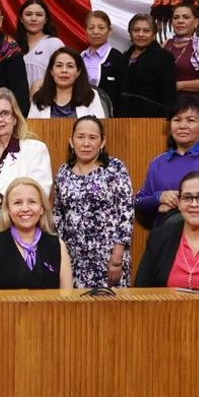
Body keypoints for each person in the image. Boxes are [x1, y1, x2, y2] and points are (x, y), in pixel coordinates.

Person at [52, 116, 134, 288]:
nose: (86, 143)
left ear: (102, 142)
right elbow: (58, 213)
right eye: (80, 137)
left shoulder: (115, 168)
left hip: (109, 260)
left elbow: (126, 212)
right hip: (74, 259)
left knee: (111, 311)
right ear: (71, 141)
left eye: (92, 137)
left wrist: (118, 259)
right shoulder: (63, 172)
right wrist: (61, 254)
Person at [135, 94, 199, 223]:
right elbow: (140, 201)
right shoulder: (158, 162)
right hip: (166, 236)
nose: (182, 126)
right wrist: (159, 197)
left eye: (191, 120)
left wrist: (180, 200)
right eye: (177, 120)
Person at [0, 178, 72, 290]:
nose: (25, 208)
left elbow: (67, 301)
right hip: (4, 308)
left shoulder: (57, 245)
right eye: (17, 203)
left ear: (42, 209)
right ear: (8, 211)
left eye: (32, 202)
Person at [0, 88, 53, 213]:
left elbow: (40, 193)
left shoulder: (35, 150)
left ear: (15, 118)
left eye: (5, 113)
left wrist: (1, 199)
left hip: (19, 227)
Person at [116, 13, 176, 117]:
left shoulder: (164, 58)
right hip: (123, 121)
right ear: (130, 33)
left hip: (151, 122)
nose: (140, 34)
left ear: (154, 34)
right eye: (136, 30)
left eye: (146, 31)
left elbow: (169, 96)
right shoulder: (124, 57)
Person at [28, 47, 108, 118]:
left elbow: (99, 128)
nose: (64, 70)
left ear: (78, 72)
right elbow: (31, 131)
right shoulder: (39, 98)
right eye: (59, 66)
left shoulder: (91, 96)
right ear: (51, 71)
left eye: (70, 66)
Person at [164, 1, 199, 102]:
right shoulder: (166, 44)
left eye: (186, 17)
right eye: (176, 17)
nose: (180, 21)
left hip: (193, 104)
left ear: (196, 22)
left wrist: (179, 85)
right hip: (166, 103)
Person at [15, 0, 65, 85]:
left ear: (46, 19)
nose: (33, 19)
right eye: (28, 14)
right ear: (21, 19)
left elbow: (63, 75)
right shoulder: (13, 45)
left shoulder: (54, 44)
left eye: (39, 15)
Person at [80, 10, 125, 104]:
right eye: (91, 28)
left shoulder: (118, 58)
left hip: (109, 115)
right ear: (86, 31)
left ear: (109, 31)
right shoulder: (80, 57)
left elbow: (123, 94)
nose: (96, 32)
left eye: (101, 28)